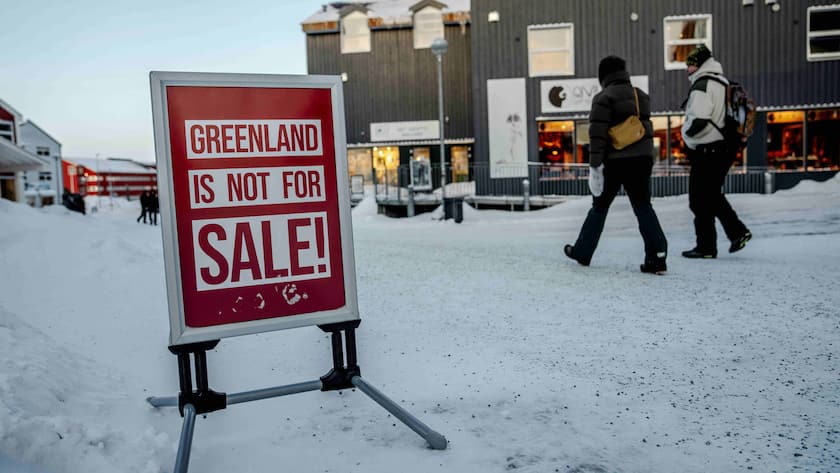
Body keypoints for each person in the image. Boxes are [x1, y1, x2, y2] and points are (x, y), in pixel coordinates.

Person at [564, 56, 668, 274]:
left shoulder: (603, 97)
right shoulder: (641, 96)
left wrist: (594, 167)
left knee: (599, 208)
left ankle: (583, 252)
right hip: (641, 160)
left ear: (603, 76)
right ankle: (657, 256)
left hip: (615, 161)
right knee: (643, 206)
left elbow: (597, 136)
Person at [680, 45, 751, 259]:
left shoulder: (703, 85)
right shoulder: (722, 82)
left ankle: (709, 245)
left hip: (708, 149)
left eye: (691, 64)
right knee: (710, 195)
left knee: (699, 198)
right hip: (724, 147)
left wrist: (686, 136)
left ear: (700, 64)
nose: (688, 69)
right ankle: (730, 236)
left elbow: (699, 119)